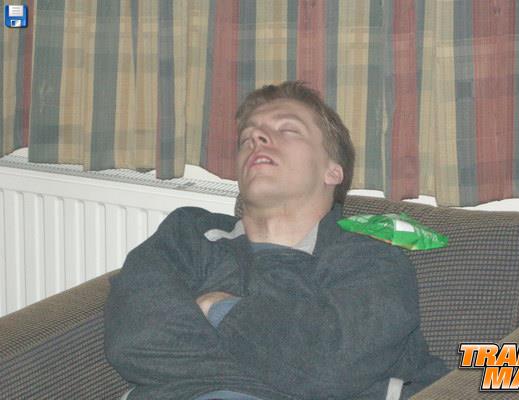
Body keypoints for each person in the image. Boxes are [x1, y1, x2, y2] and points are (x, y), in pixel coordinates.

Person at [104, 81, 448, 400]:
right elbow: (135, 341)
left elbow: (329, 366)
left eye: (287, 130)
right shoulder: (189, 235)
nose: (257, 138)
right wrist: (280, 368)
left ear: (333, 171)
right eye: (247, 137)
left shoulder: (373, 262)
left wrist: (218, 308)